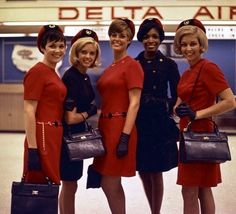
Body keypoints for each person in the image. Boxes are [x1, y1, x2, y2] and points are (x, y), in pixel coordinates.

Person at [173, 18, 236, 214]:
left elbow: (230, 101)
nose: (188, 48)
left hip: (201, 135)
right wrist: (178, 110)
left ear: (202, 45)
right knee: (200, 189)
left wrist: (196, 114)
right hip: (188, 134)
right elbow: (180, 103)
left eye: (193, 43)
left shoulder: (208, 68)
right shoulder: (187, 72)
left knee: (191, 190)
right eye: (183, 44)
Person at [92, 18, 144, 214]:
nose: (117, 39)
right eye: (114, 34)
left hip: (120, 127)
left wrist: (125, 136)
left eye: (122, 36)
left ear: (129, 40)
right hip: (105, 127)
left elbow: (135, 102)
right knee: (107, 181)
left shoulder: (132, 65)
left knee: (111, 181)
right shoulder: (111, 67)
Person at [135, 18, 180, 214]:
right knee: (143, 171)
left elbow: (178, 95)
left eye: (154, 36)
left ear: (160, 39)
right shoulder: (135, 63)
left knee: (156, 171)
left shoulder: (169, 64)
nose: (150, 40)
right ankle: (152, 208)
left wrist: (165, 105)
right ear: (141, 39)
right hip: (140, 123)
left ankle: (156, 212)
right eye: (146, 36)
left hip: (160, 123)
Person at [59, 29, 101, 214]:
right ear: (76, 53)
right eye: (84, 52)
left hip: (76, 137)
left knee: (71, 184)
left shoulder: (82, 75)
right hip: (68, 139)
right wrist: (88, 113)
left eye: (92, 53)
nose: (88, 56)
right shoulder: (72, 77)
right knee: (69, 184)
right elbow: (70, 117)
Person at [23, 24, 67, 184]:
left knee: (51, 181)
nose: (58, 50)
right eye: (52, 46)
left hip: (53, 133)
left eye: (61, 46)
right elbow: (29, 110)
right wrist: (33, 148)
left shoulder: (52, 72)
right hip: (42, 132)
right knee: (40, 182)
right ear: (42, 48)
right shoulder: (37, 72)